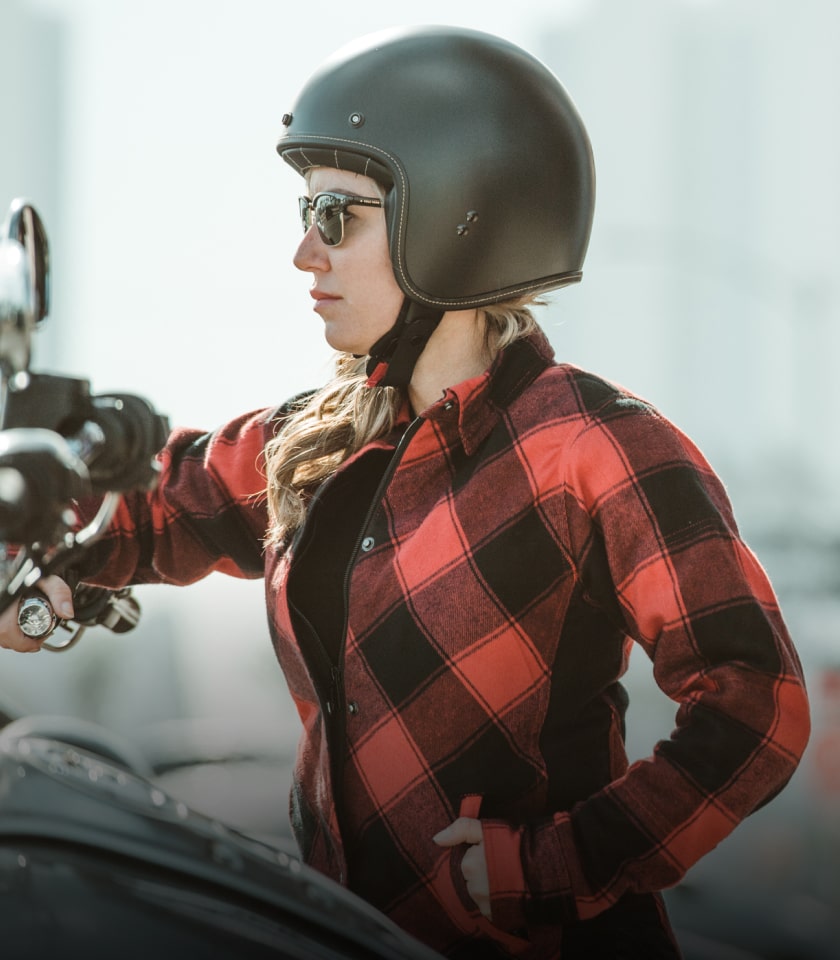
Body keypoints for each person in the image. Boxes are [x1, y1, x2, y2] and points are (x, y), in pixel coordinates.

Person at [0, 25, 810, 960]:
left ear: (458, 215)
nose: (306, 253)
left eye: (338, 217)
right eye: (303, 215)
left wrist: (554, 861)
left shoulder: (595, 445)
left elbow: (758, 703)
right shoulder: (318, 438)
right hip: (349, 934)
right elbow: (149, 506)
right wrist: (49, 555)